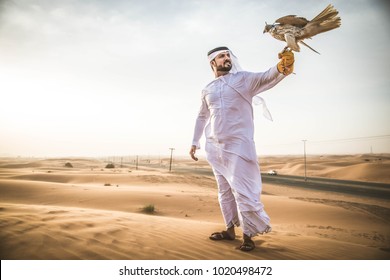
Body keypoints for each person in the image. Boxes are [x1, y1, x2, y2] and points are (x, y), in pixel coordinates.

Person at [189, 46, 294, 251]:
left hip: (240, 146)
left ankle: (248, 236)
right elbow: (202, 116)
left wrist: (283, 66)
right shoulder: (208, 88)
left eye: (228, 55)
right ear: (213, 62)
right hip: (215, 147)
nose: (227, 58)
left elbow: (267, 76)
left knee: (243, 191)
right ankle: (229, 230)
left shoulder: (244, 80)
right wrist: (195, 142)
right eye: (222, 56)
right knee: (224, 191)